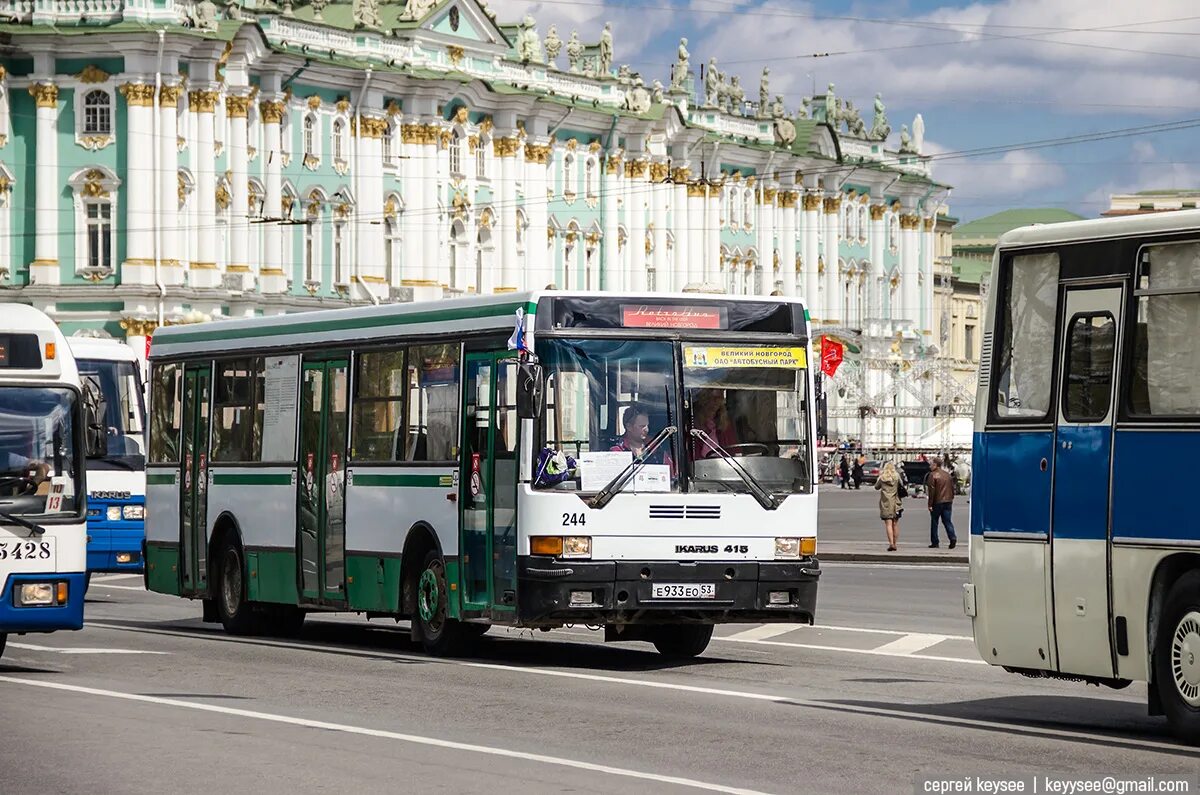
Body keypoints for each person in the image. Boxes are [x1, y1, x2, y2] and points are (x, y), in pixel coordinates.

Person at [690, 389, 735, 458]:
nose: (716, 402)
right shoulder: (692, 426)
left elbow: (734, 451)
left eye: (719, 398)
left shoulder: (725, 426)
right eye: (712, 398)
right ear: (704, 400)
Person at [926, 455, 957, 549]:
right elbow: (952, 488)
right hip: (948, 501)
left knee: (934, 522)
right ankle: (952, 537)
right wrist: (951, 498)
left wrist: (930, 504)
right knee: (947, 521)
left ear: (935, 465)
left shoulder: (932, 475)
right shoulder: (947, 475)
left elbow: (932, 491)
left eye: (931, 464)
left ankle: (935, 542)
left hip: (937, 501)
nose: (929, 466)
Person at [875, 462, 903, 551]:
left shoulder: (882, 478)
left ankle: (891, 543)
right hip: (896, 503)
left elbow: (876, 487)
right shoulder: (897, 476)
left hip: (886, 503)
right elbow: (901, 485)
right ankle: (895, 543)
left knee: (888, 524)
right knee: (895, 524)